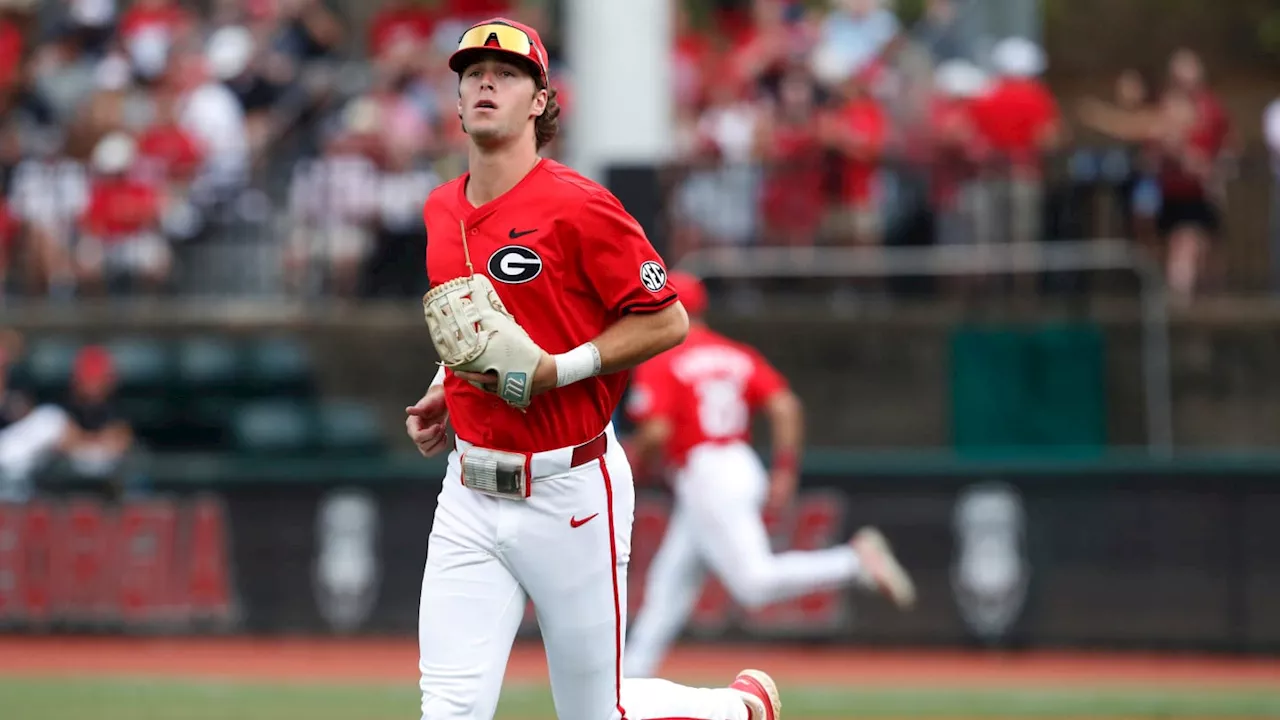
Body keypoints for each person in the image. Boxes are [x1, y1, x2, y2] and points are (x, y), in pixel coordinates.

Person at [404, 18, 783, 720]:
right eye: (472, 72)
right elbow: (474, 329)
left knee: (592, 714)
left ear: (541, 102)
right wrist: (440, 390)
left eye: (508, 73)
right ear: (456, 100)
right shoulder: (439, 208)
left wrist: (559, 369)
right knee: (449, 708)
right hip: (469, 488)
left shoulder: (579, 205)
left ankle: (736, 711)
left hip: (568, 487)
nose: (486, 81)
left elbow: (665, 318)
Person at [621, 271, 916, 678]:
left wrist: (632, 457)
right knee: (670, 582)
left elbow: (657, 430)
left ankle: (852, 561)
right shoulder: (736, 353)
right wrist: (785, 470)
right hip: (737, 463)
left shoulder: (664, 355)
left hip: (706, 474)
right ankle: (631, 678)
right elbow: (785, 406)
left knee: (754, 583)